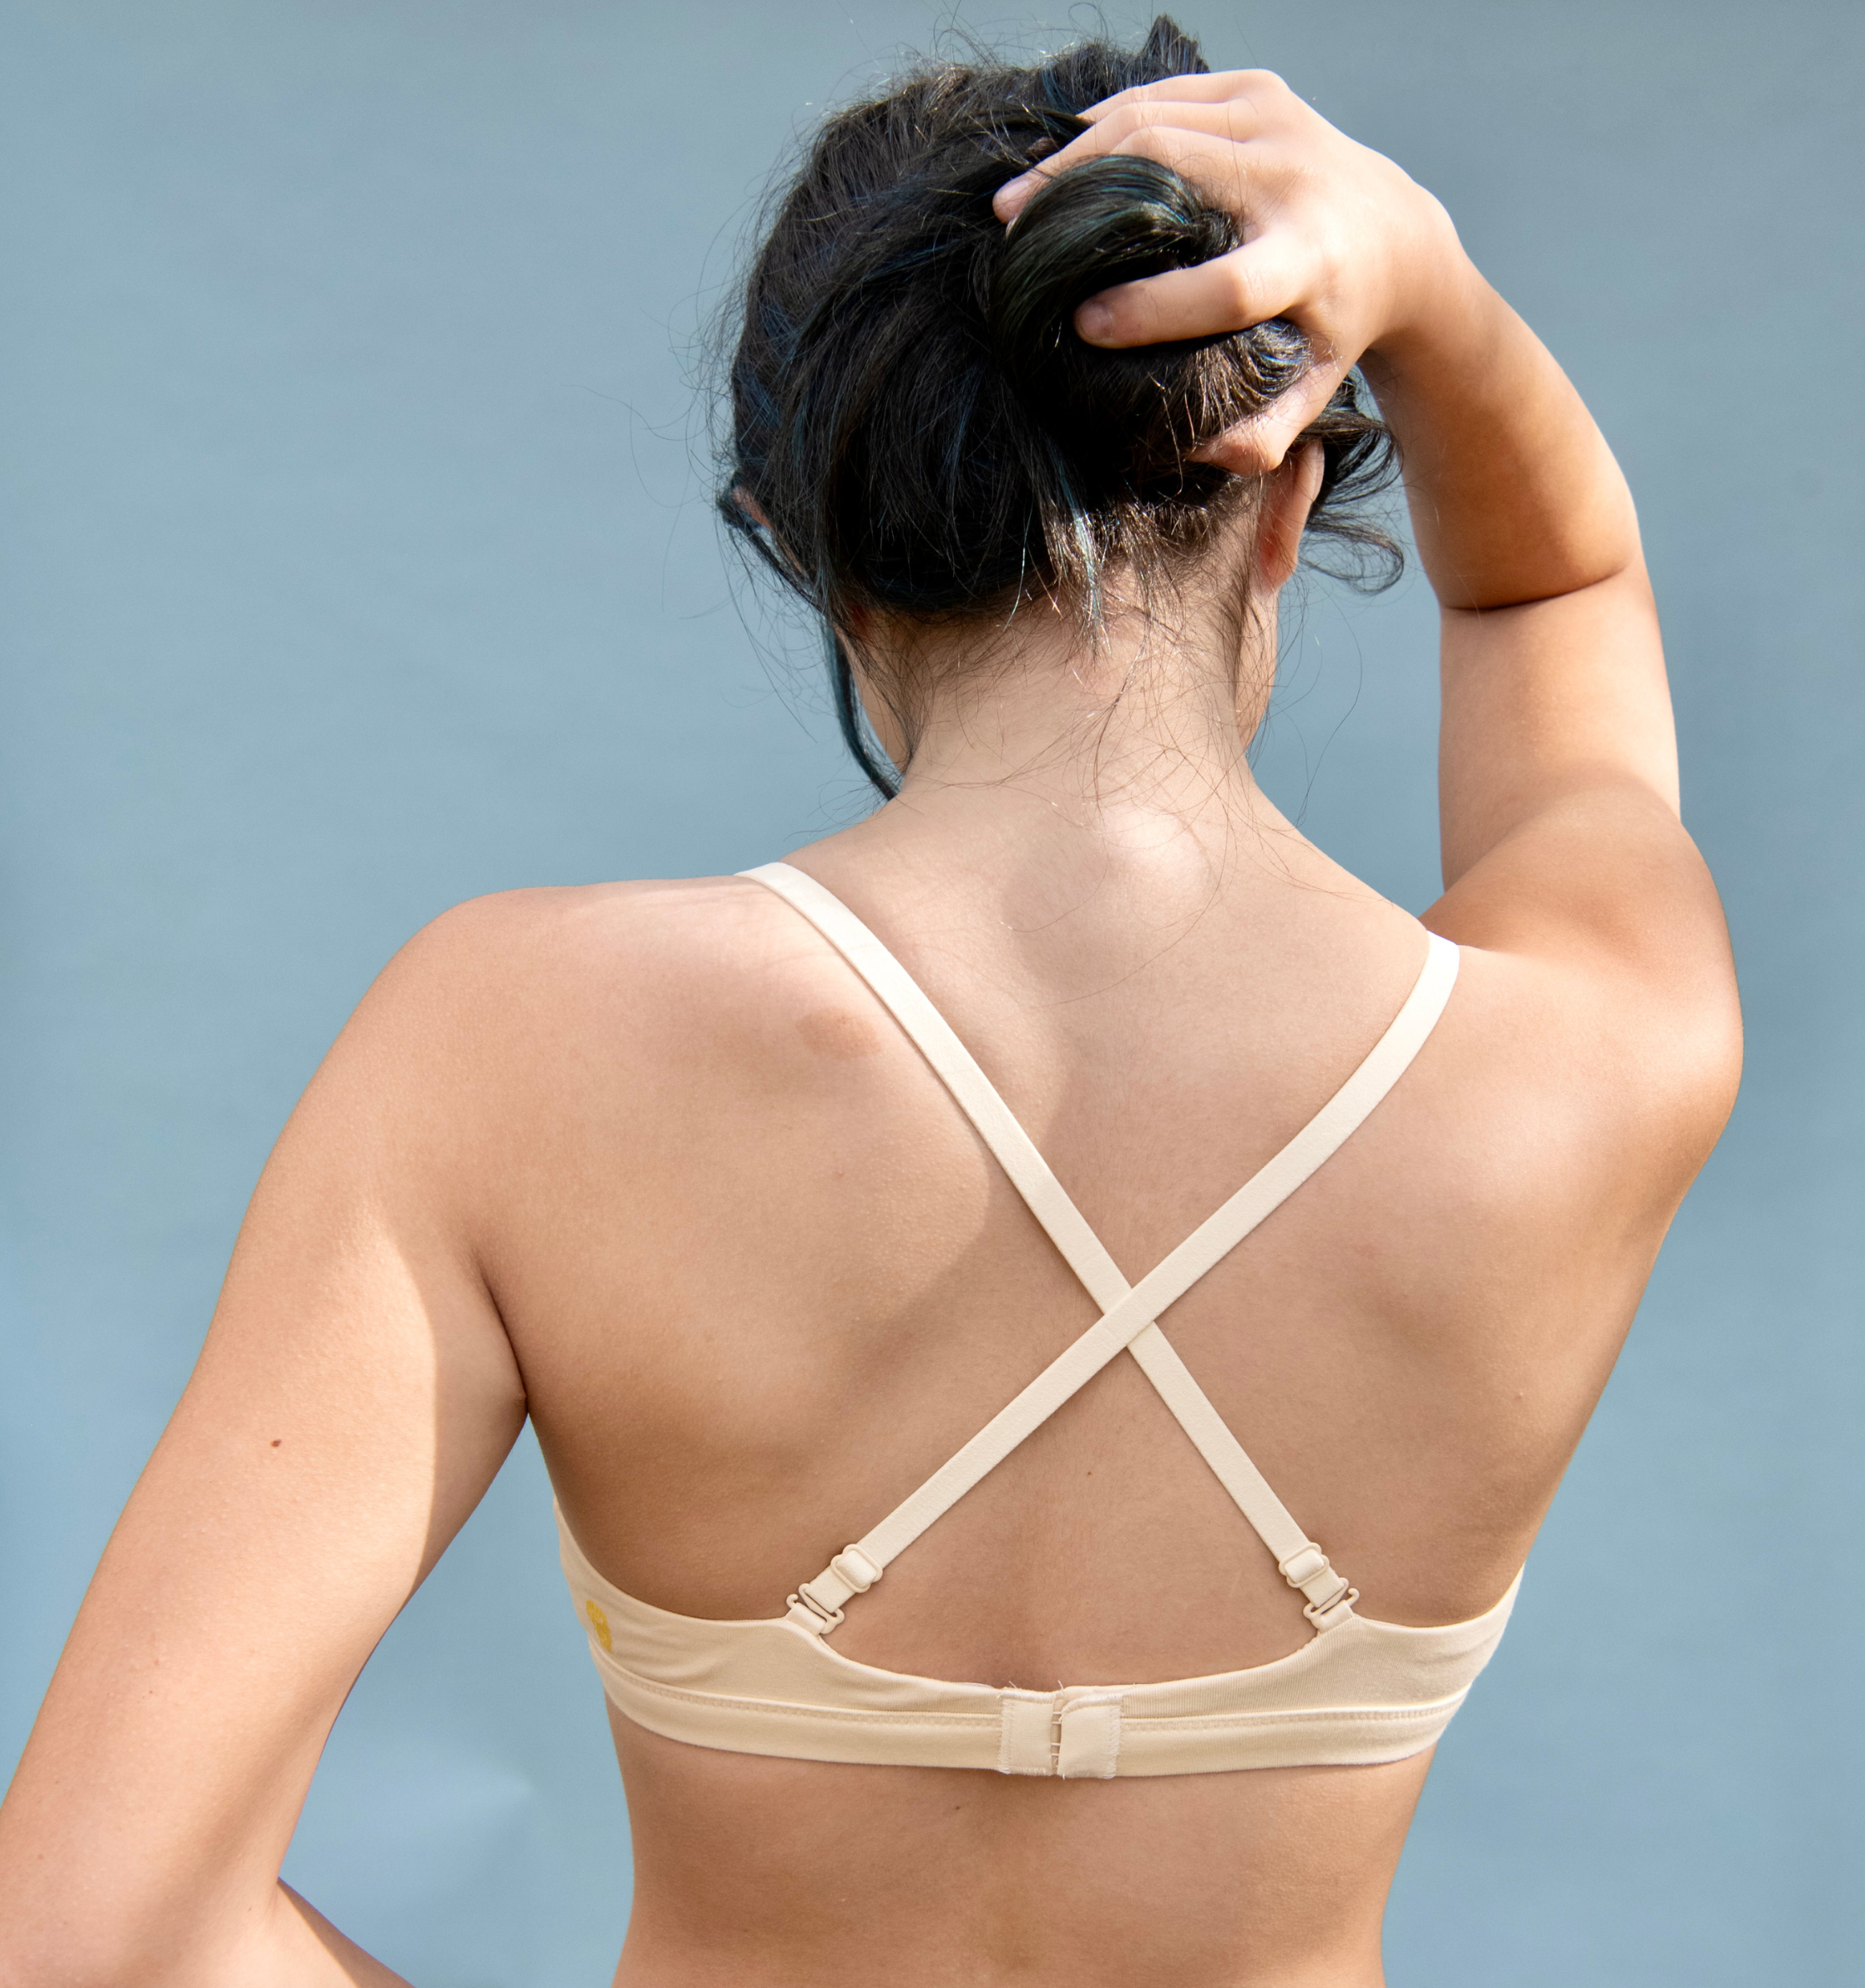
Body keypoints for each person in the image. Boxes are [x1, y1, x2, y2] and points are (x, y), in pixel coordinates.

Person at [0, 17, 1740, 1986]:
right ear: (1288, 492)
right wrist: (1429, 297)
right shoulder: (1584, 1060)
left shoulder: (510, 1050)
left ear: (804, 536)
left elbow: (91, 1936)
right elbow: (1551, 594)